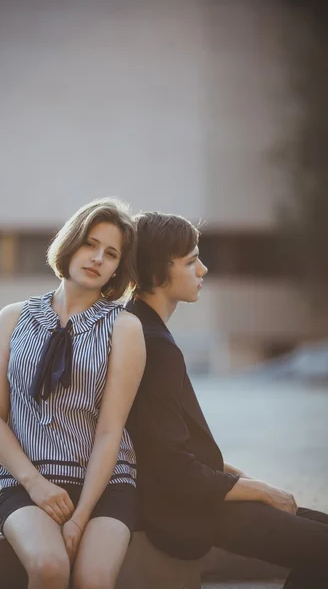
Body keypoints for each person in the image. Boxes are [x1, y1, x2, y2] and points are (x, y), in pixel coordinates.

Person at [125, 211, 328, 589]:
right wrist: (263, 491)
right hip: (180, 511)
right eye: (191, 261)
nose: (203, 269)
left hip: (192, 495)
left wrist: (243, 479)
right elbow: (173, 471)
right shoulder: (152, 344)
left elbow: (171, 445)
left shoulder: (140, 327)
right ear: (156, 273)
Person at [0, 198, 146, 589]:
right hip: (25, 481)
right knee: (49, 566)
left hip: (105, 486)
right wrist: (36, 484)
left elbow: (111, 430)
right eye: (90, 244)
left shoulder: (125, 327)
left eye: (110, 254)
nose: (97, 258)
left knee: (93, 579)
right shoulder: (12, 318)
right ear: (70, 244)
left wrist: (80, 516)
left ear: (117, 268)